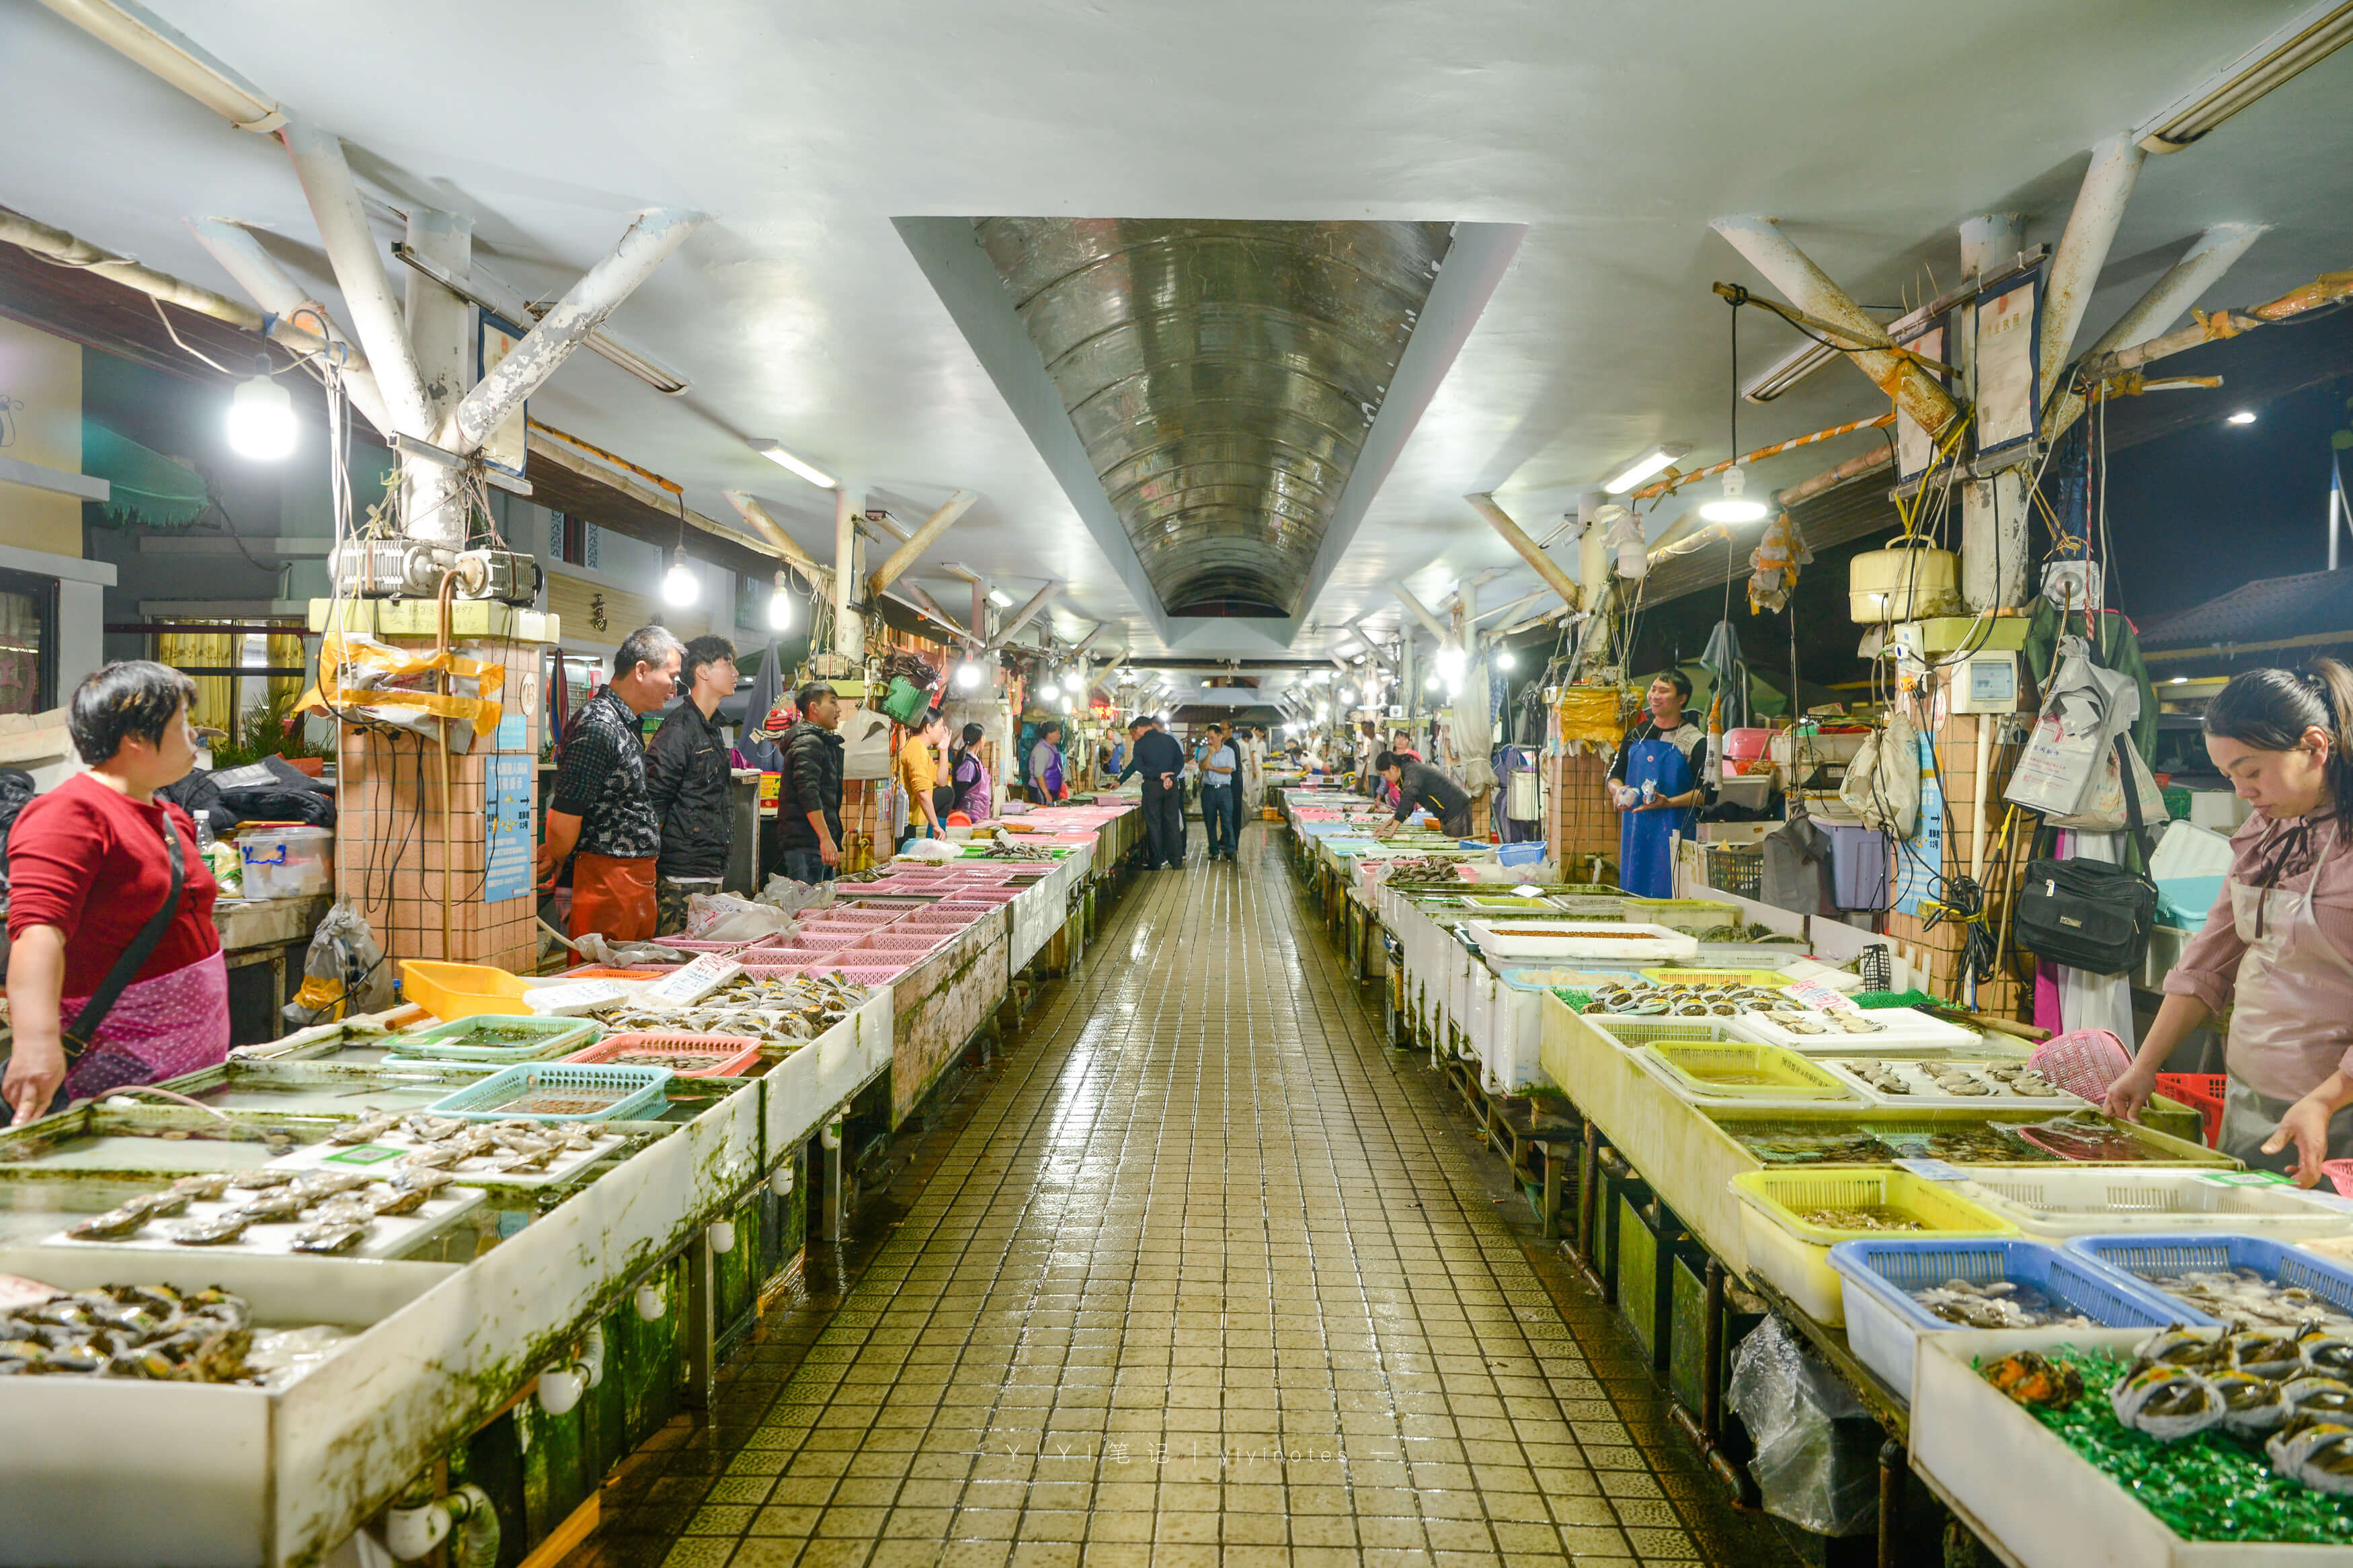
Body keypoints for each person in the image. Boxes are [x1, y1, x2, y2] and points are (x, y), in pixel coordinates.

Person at [2104, 663, 2353, 1184]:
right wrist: (2144, 1064)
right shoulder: (2264, 833)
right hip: (2249, 1101)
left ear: (2314, 746)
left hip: (2338, 1116)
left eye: (2252, 770)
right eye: (2230, 776)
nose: (2243, 791)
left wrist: (2326, 1101)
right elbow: (2208, 962)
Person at [3, 662, 227, 1124]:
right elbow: (37, 934)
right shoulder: (69, 813)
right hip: (110, 1060)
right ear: (136, 738)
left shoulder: (168, 815)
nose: (194, 739)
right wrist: (37, 1043)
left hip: (188, 1057)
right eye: (183, 725)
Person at [541, 626, 682, 942]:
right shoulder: (599, 726)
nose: (674, 688)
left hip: (628, 881)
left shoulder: (624, 722)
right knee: (602, 978)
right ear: (642, 670)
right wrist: (559, 854)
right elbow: (564, 819)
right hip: (606, 882)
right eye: (671, 677)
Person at [645, 634, 738, 936]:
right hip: (682, 875)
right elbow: (654, 804)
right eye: (728, 664)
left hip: (711, 869)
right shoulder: (679, 730)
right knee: (676, 961)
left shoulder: (712, 728)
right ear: (703, 671)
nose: (735, 673)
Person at [1608, 669, 1706, 899]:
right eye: (1653, 689)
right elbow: (1614, 775)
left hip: (1677, 832)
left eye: (1664, 691)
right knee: (1634, 892)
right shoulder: (1635, 735)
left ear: (1682, 699)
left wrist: (1668, 802)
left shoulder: (1696, 742)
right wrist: (1619, 790)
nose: (1655, 696)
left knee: (1673, 891)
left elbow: (1706, 793)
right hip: (1636, 832)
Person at [776, 682, 846, 883]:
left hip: (815, 844)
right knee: (807, 910)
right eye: (833, 703)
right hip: (807, 845)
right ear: (814, 708)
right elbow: (808, 793)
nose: (839, 710)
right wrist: (825, 838)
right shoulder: (808, 742)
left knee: (819, 908)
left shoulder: (819, 741)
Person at [1118, 713, 1188, 869]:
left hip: (1152, 787)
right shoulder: (1169, 740)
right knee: (1172, 822)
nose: (1134, 738)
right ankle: (1176, 861)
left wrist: (1157, 775)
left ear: (1140, 728)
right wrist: (1171, 776)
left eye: (1133, 734)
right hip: (1171, 786)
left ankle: (1158, 861)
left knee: (1154, 824)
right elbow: (1180, 761)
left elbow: (1139, 766)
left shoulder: (1141, 744)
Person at [1375, 749, 1473, 838]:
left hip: (1457, 811)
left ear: (1393, 768)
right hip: (1446, 815)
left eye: (1384, 774)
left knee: (1459, 851)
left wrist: (1390, 833)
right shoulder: (1404, 774)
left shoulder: (1411, 772)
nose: (1385, 778)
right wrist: (1385, 826)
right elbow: (1405, 808)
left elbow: (1406, 805)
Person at [895, 709, 951, 846]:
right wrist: (936, 826)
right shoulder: (916, 750)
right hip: (903, 822)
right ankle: (935, 841)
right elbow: (922, 793)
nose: (943, 731)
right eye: (940, 726)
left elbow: (941, 781)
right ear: (928, 728)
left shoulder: (920, 748)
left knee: (947, 793)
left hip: (909, 820)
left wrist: (944, 750)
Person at [1199, 722, 1241, 862]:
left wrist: (1213, 767)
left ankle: (1230, 849)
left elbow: (1229, 769)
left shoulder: (1229, 751)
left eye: (1212, 738)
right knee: (1210, 821)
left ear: (1220, 737)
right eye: (1208, 738)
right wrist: (1210, 756)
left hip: (1224, 790)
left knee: (1227, 820)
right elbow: (1203, 768)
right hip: (1208, 790)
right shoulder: (1205, 751)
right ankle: (1213, 849)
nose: (1209, 741)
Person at [947, 723, 994, 824]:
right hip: (968, 818)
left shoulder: (975, 761)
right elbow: (960, 790)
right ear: (982, 739)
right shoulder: (968, 763)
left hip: (977, 817)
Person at [1028, 720, 1067, 805]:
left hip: (1050, 791)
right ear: (1049, 734)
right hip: (1040, 792)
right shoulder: (1042, 750)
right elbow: (1038, 774)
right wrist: (1047, 794)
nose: (1060, 736)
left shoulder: (1052, 748)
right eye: (1058, 733)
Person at [1240, 725, 1267, 817]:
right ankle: (1251, 806)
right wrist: (1255, 768)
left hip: (1255, 764)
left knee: (1256, 786)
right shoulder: (1253, 738)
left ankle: (1253, 805)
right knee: (1255, 786)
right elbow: (1252, 754)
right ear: (1258, 731)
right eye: (1262, 733)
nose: (1262, 735)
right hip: (1254, 765)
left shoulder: (1254, 738)